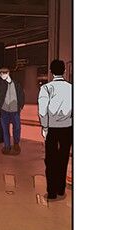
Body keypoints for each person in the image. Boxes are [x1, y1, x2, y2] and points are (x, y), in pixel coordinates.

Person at [38, 59, 72, 200]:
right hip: (68, 127)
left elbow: (42, 110)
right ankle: (61, 189)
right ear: (64, 71)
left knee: (51, 160)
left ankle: (51, 192)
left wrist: (44, 126)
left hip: (52, 128)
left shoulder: (46, 88)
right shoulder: (71, 88)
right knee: (63, 158)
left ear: (51, 72)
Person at [0, 66, 25, 155]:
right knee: (5, 130)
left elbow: (21, 95)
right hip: (4, 110)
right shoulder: (2, 84)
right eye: (1, 75)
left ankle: (16, 144)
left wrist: (21, 106)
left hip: (15, 110)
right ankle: (7, 146)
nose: (2, 76)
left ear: (7, 73)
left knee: (17, 128)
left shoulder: (16, 84)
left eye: (3, 74)